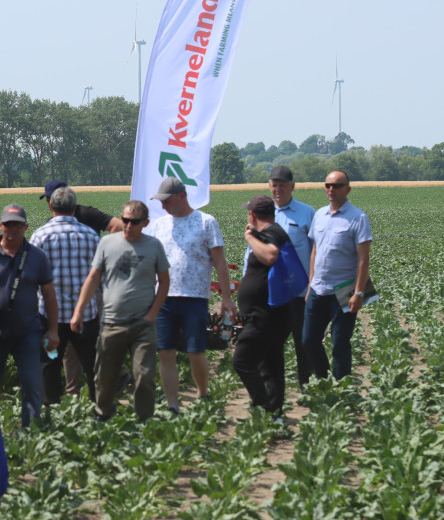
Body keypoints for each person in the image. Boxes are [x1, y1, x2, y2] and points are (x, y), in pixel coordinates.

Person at [71, 200, 169, 421]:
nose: (128, 225)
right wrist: (78, 311)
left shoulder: (153, 246)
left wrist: (153, 313)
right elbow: (93, 278)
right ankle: (103, 413)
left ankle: (144, 419)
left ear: (145, 223)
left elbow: (164, 281)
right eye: (125, 220)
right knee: (104, 376)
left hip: (143, 323)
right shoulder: (107, 244)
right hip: (111, 322)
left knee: (144, 375)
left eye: (134, 222)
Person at [146, 177, 234, 413]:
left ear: (182, 196)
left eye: (166, 200)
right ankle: (173, 403)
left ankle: (203, 394)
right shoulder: (157, 226)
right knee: (166, 351)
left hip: (195, 298)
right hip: (164, 299)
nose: (163, 205)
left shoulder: (206, 222)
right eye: (161, 201)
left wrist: (226, 298)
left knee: (196, 351)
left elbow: (220, 263)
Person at [0, 203, 59, 426]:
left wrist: (53, 330)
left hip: (27, 331)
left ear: (26, 227)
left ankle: (30, 434)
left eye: (17, 225)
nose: (12, 229)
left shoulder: (37, 257)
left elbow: (49, 295)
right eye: (8, 224)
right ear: (0, 225)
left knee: (32, 385)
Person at [30, 186, 100, 404]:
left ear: (51, 205)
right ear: (74, 207)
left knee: (49, 363)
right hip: (85, 316)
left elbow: (32, 278)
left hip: (51, 319)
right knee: (92, 365)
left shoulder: (40, 236)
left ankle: (50, 409)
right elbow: (100, 275)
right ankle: (101, 409)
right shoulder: (91, 236)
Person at [303, 170, 373, 380]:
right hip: (318, 288)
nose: (331, 190)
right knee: (308, 340)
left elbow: (363, 259)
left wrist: (359, 292)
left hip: (346, 288)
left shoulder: (358, 217)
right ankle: (324, 381)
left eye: (337, 186)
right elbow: (315, 251)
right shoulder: (319, 214)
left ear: (348, 189)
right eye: (328, 185)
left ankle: (343, 388)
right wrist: (309, 286)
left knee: (340, 342)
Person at [233, 196, 293, 416]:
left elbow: (270, 255)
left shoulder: (271, 234)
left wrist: (249, 236)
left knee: (242, 361)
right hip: (271, 314)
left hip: (265, 316)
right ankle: (274, 413)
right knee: (271, 367)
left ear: (252, 215)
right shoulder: (273, 232)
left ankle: (263, 408)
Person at [267, 165, 315, 387]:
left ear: (292, 187)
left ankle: (306, 386)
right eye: (274, 185)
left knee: (304, 343)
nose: (277, 189)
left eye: (282, 185)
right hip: (272, 293)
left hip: (300, 292)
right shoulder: (264, 213)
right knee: (271, 343)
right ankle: (273, 389)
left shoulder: (307, 213)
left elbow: (316, 250)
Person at [40, 180, 122, 234]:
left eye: (51, 200)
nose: (50, 204)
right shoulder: (50, 223)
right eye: (48, 201)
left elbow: (118, 225)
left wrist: (104, 251)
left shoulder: (88, 214)